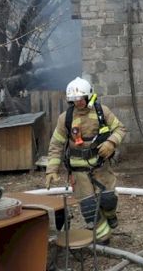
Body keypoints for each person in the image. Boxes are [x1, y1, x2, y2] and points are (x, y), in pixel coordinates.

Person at [45, 77, 127, 243]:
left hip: (101, 167)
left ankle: (110, 215)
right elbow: (56, 144)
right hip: (78, 172)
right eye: (74, 99)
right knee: (89, 207)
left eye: (81, 98)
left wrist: (111, 143)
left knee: (108, 199)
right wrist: (51, 170)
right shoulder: (65, 118)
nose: (78, 102)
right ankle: (103, 237)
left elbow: (120, 128)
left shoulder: (102, 112)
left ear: (88, 96)